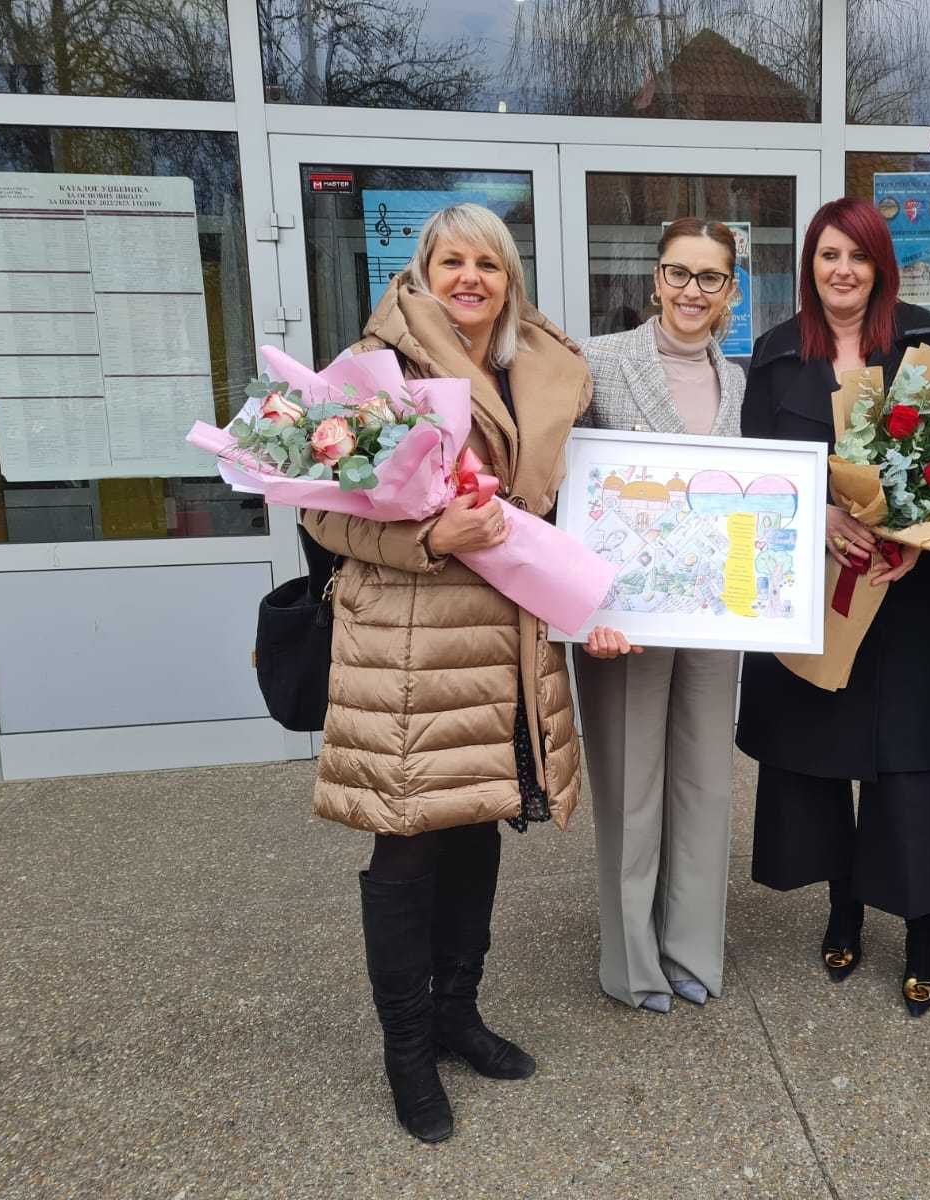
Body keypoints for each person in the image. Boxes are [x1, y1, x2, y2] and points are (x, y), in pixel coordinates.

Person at [302, 203, 593, 1142]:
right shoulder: (375, 367)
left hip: (507, 636)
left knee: (475, 825)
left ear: (510, 280)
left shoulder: (535, 362)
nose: (471, 279)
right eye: (453, 261)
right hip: (412, 642)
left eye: (490, 264)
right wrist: (433, 535)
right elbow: (320, 514)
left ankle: (458, 1013)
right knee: (407, 843)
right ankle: (406, 1048)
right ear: (423, 270)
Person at [738, 197, 930, 1017]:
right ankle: (844, 911)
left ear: (880, 267)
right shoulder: (774, 356)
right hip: (812, 593)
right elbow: (757, 481)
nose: (842, 270)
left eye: (858, 256)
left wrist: (920, 538)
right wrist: (817, 516)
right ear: (810, 265)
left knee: (903, 768)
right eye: (828, 255)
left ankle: (924, 932)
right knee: (821, 759)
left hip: (898, 594)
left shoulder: (925, 345)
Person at [573, 218, 747, 1014]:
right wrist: (581, 605)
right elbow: (563, 485)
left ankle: (690, 949)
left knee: (705, 783)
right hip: (622, 622)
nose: (691, 290)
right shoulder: (597, 360)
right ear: (655, 279)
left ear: (730, 290)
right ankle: (633, 960)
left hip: (711, 618)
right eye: (679, 273)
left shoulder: (734, 379)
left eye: (710, 277)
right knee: (631, 787)